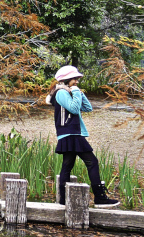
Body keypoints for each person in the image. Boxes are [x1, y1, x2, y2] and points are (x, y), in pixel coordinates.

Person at [46, 65, 120, 208]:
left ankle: (63, 200)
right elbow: (74, 108)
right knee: (92, 162)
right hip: (71, 133)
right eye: (75, 79)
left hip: (70, 134)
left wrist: (78, 92)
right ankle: (99, 198)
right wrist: (74, 91)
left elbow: (87, 108)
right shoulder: (61, 93)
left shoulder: (69, 92)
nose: (77, 81)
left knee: (67, 165)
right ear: (67, 80)